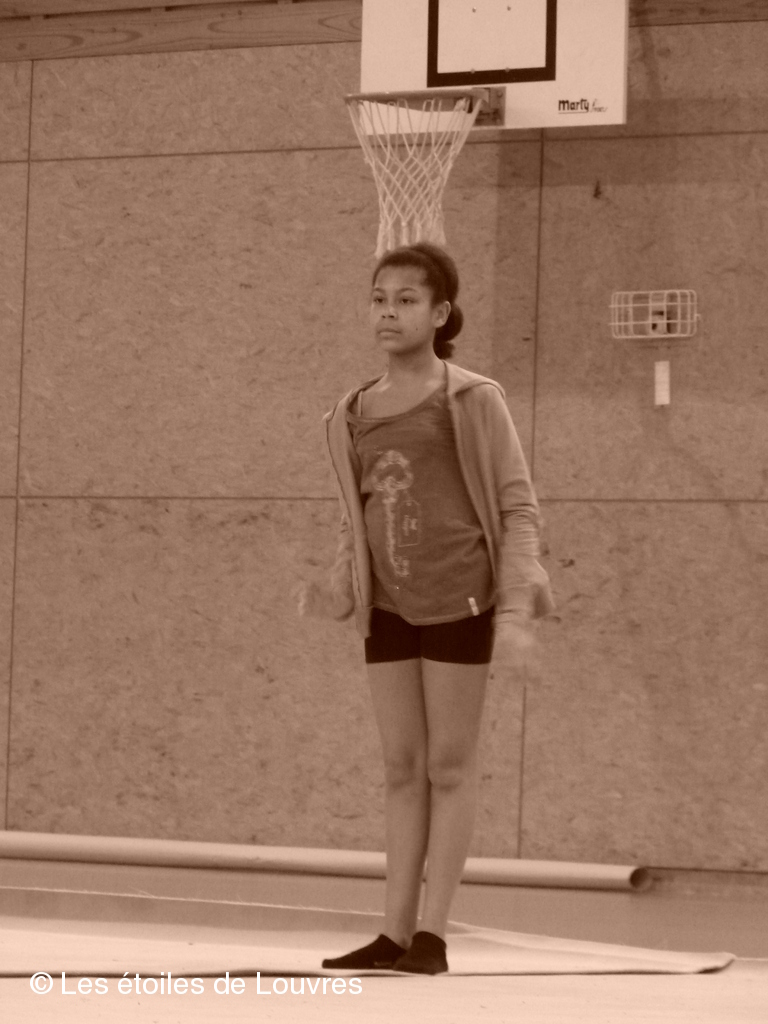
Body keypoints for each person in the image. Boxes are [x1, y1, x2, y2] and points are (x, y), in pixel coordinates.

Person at [296, 241, 554, 975]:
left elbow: (517, 506)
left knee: (449, 765)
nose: (389, 312)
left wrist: (515, 615)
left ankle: (434, 936)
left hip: (461, 599)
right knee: (401, 767)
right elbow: (358, 517)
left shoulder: (472, 399)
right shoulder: (349, 413)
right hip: (390, 609)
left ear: (440, 314)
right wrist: (341, 586)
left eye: (406, 300)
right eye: (379, 299)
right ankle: (394, 931)